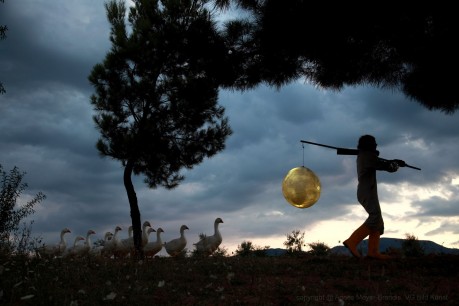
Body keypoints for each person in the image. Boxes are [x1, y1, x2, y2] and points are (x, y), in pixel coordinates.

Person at [343, 135, 405, 259]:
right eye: (374, 143)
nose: (376, 145)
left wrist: (394, 161)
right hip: (367, 192)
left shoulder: (365, 156)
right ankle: (352, 242)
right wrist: (395, 164)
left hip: (368, 191)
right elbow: (386, 167)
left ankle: (373, 252)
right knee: (375, 217)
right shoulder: (367, 157)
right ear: (369, 145)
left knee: (378, 222)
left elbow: (380, 162)